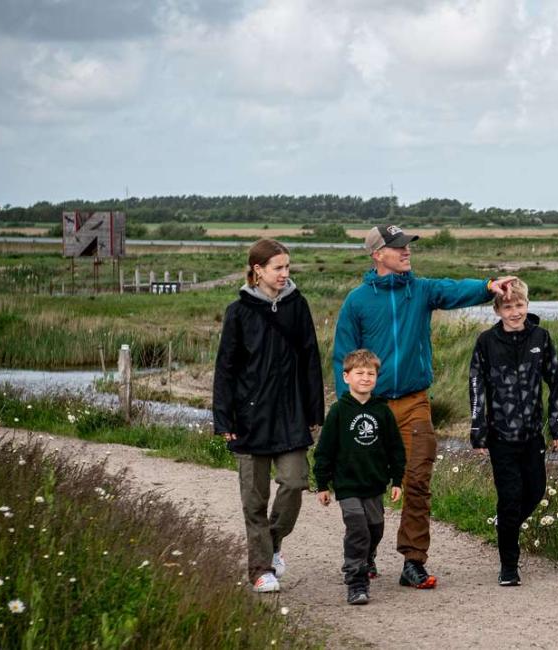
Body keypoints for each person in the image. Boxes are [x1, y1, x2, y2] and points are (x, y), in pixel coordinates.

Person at [332, 224, 517, 589]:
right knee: (369, 486)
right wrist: (348, 409)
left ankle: (413, 561)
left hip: (415, 402)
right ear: (377, 254)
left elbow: (452, 290)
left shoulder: (420, 290)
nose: (406, 252)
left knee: (417, 481)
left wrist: (487, 287)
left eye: (407, 246)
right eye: (397, 246)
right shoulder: (357, 302)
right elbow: (344, 358)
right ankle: (364, 553)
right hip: (372, 407)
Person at [213, 238, 324, 593]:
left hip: (291, 414)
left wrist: (313, 410)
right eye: (278, 267)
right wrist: (224, 419)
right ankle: (261, 569)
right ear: (258, 270)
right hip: (249, 418)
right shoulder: (239, 311)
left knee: (294, 482)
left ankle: (272, 543)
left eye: (287, 267)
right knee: (255, 498)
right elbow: (225, 368)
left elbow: (310, 359)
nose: (285, 274)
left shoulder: (297, 306)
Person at [468, 278, 558, 586]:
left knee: (535, 492)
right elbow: (477, 387)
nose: (515, 312)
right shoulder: (486, 342)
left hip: (532, 435)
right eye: (508, 306)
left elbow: (557, 383)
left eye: (520, 305)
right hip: (500, 436)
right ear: (497, 310)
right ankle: (509, 567)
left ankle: (505, 526)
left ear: (528, 305)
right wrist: (478, 431)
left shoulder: (541, 337)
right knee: (510, 498)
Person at [314, 349, 406, 605]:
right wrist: (322, 484)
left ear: (377, 377)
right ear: (346, 377)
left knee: (375, 529)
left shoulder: (383, 411)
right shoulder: (339, 411)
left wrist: (397, 479)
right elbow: (324, 451)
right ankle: (356, 582)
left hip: (374, 484)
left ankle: (367, 556)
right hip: (347, 485)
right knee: (358, 529)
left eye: (371, 373)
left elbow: (395, 448)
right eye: (359, 373)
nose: (365, 378)